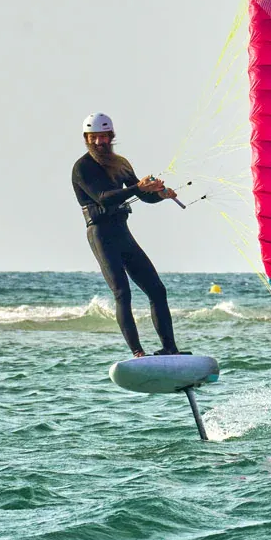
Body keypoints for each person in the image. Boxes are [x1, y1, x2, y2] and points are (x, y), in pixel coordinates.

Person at [72, 113, 181, 358]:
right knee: (123, 292)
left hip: (122, 232)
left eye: (104, 137)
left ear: (111, 137)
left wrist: (159, 194)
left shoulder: (120, 163)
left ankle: (169, 349)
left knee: (157, 290)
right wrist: (138, 187)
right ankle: (138, 352)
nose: (100, 142)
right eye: (94, 138)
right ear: (87, 139)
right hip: (101, 234)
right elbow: (104, 197)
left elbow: (143, 196)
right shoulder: (83, 167)